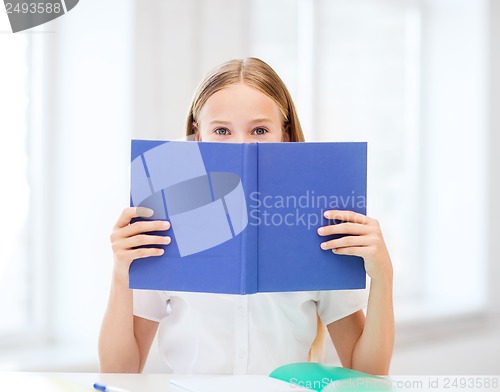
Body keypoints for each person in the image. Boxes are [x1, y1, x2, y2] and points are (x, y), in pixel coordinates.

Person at [98, 57, 394, 375]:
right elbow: (120, 371)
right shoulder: (165, 226)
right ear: (198, 136)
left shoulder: (319, 226)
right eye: (222, 130)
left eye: (259, 130)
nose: (241, 145)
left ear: (286, 134)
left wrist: (383, 277)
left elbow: (368, 373)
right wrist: (120, 273)